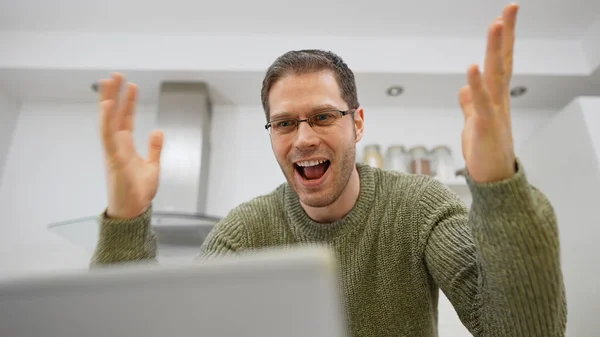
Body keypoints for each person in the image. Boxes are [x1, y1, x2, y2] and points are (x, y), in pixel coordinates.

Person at [91, 3, 566, 337]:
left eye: (322, 116)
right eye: (283, 123)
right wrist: (127, 222)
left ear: (357, 123)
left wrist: (498, 185)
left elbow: (520, 330)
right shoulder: (247, 230)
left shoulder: (420, 207)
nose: (302, 139)